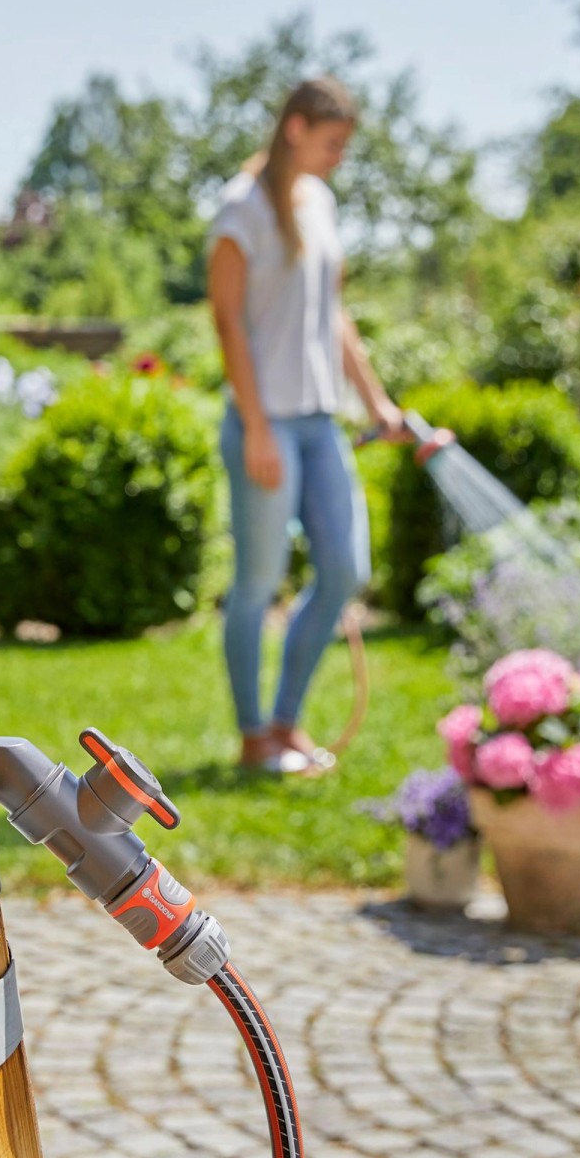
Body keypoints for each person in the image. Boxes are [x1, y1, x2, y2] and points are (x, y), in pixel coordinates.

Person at [207, 77, 408, 775]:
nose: (340, 157)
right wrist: (258, 428)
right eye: (333, 142)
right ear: (295, 128)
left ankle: (288, 721)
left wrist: (377, 402)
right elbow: (227, 321)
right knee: (258, 582)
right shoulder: (242, 209)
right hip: (267, 423)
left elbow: (333, 314)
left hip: (321, 422)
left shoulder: (318, 203)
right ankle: (254, 735)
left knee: (346, 569)